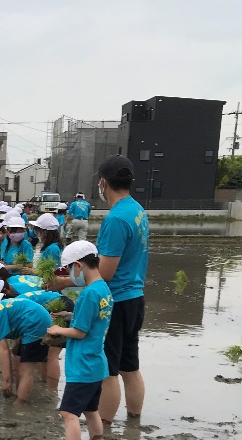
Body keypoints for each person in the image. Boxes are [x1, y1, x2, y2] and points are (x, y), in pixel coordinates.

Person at [95, 155, 149, 424]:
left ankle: (102, 429)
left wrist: (68, 280)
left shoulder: (116, 219)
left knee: (108, 370)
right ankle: (134, 421)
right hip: (135, 298)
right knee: (131, 366)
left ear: (103, 182)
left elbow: (104, 273)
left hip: (115, 302)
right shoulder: (137, 210)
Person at [47, 241, 114, 440]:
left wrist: (57, 330)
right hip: (96, 362)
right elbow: (92, 320)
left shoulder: (87, 294)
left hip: (82, 364)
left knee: (68, 413)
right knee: (91, 410)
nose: (69, 275)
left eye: (68, 269)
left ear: (78, 265)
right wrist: (69, 315)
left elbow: (79, 332)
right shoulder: (103, 288)